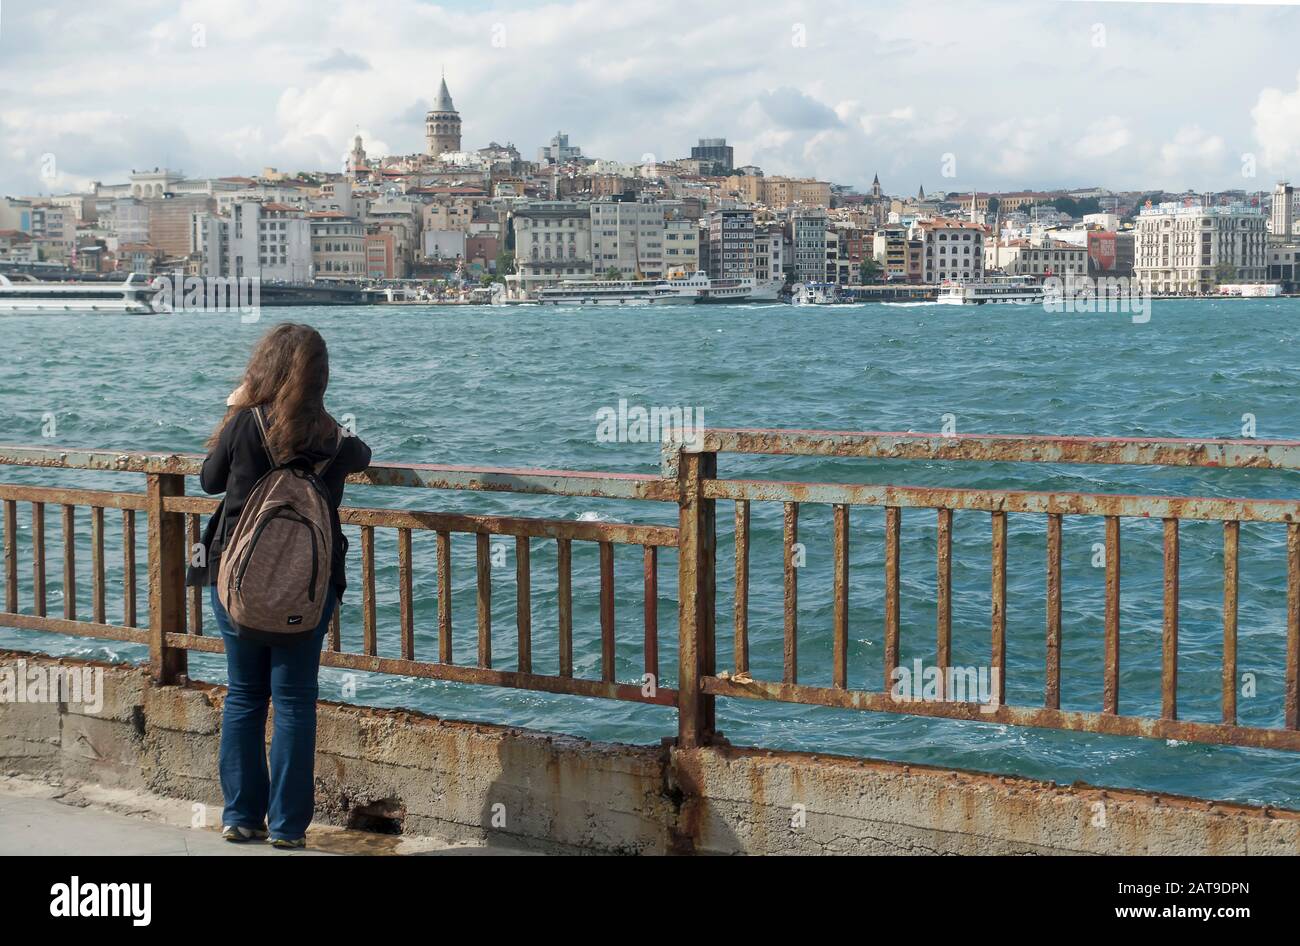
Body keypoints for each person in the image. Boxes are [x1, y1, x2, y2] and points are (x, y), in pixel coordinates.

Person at [186, 323, 371, 849]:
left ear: (264, 368)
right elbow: (367, 456)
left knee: (245, 696)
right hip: (307, 592)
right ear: (320, 377)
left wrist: (236, 405)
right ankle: (288, 829)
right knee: (294, 702)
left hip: (237, 583)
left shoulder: (246, 424)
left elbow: (208, 480)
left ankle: (241, 816)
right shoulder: (333, 439)